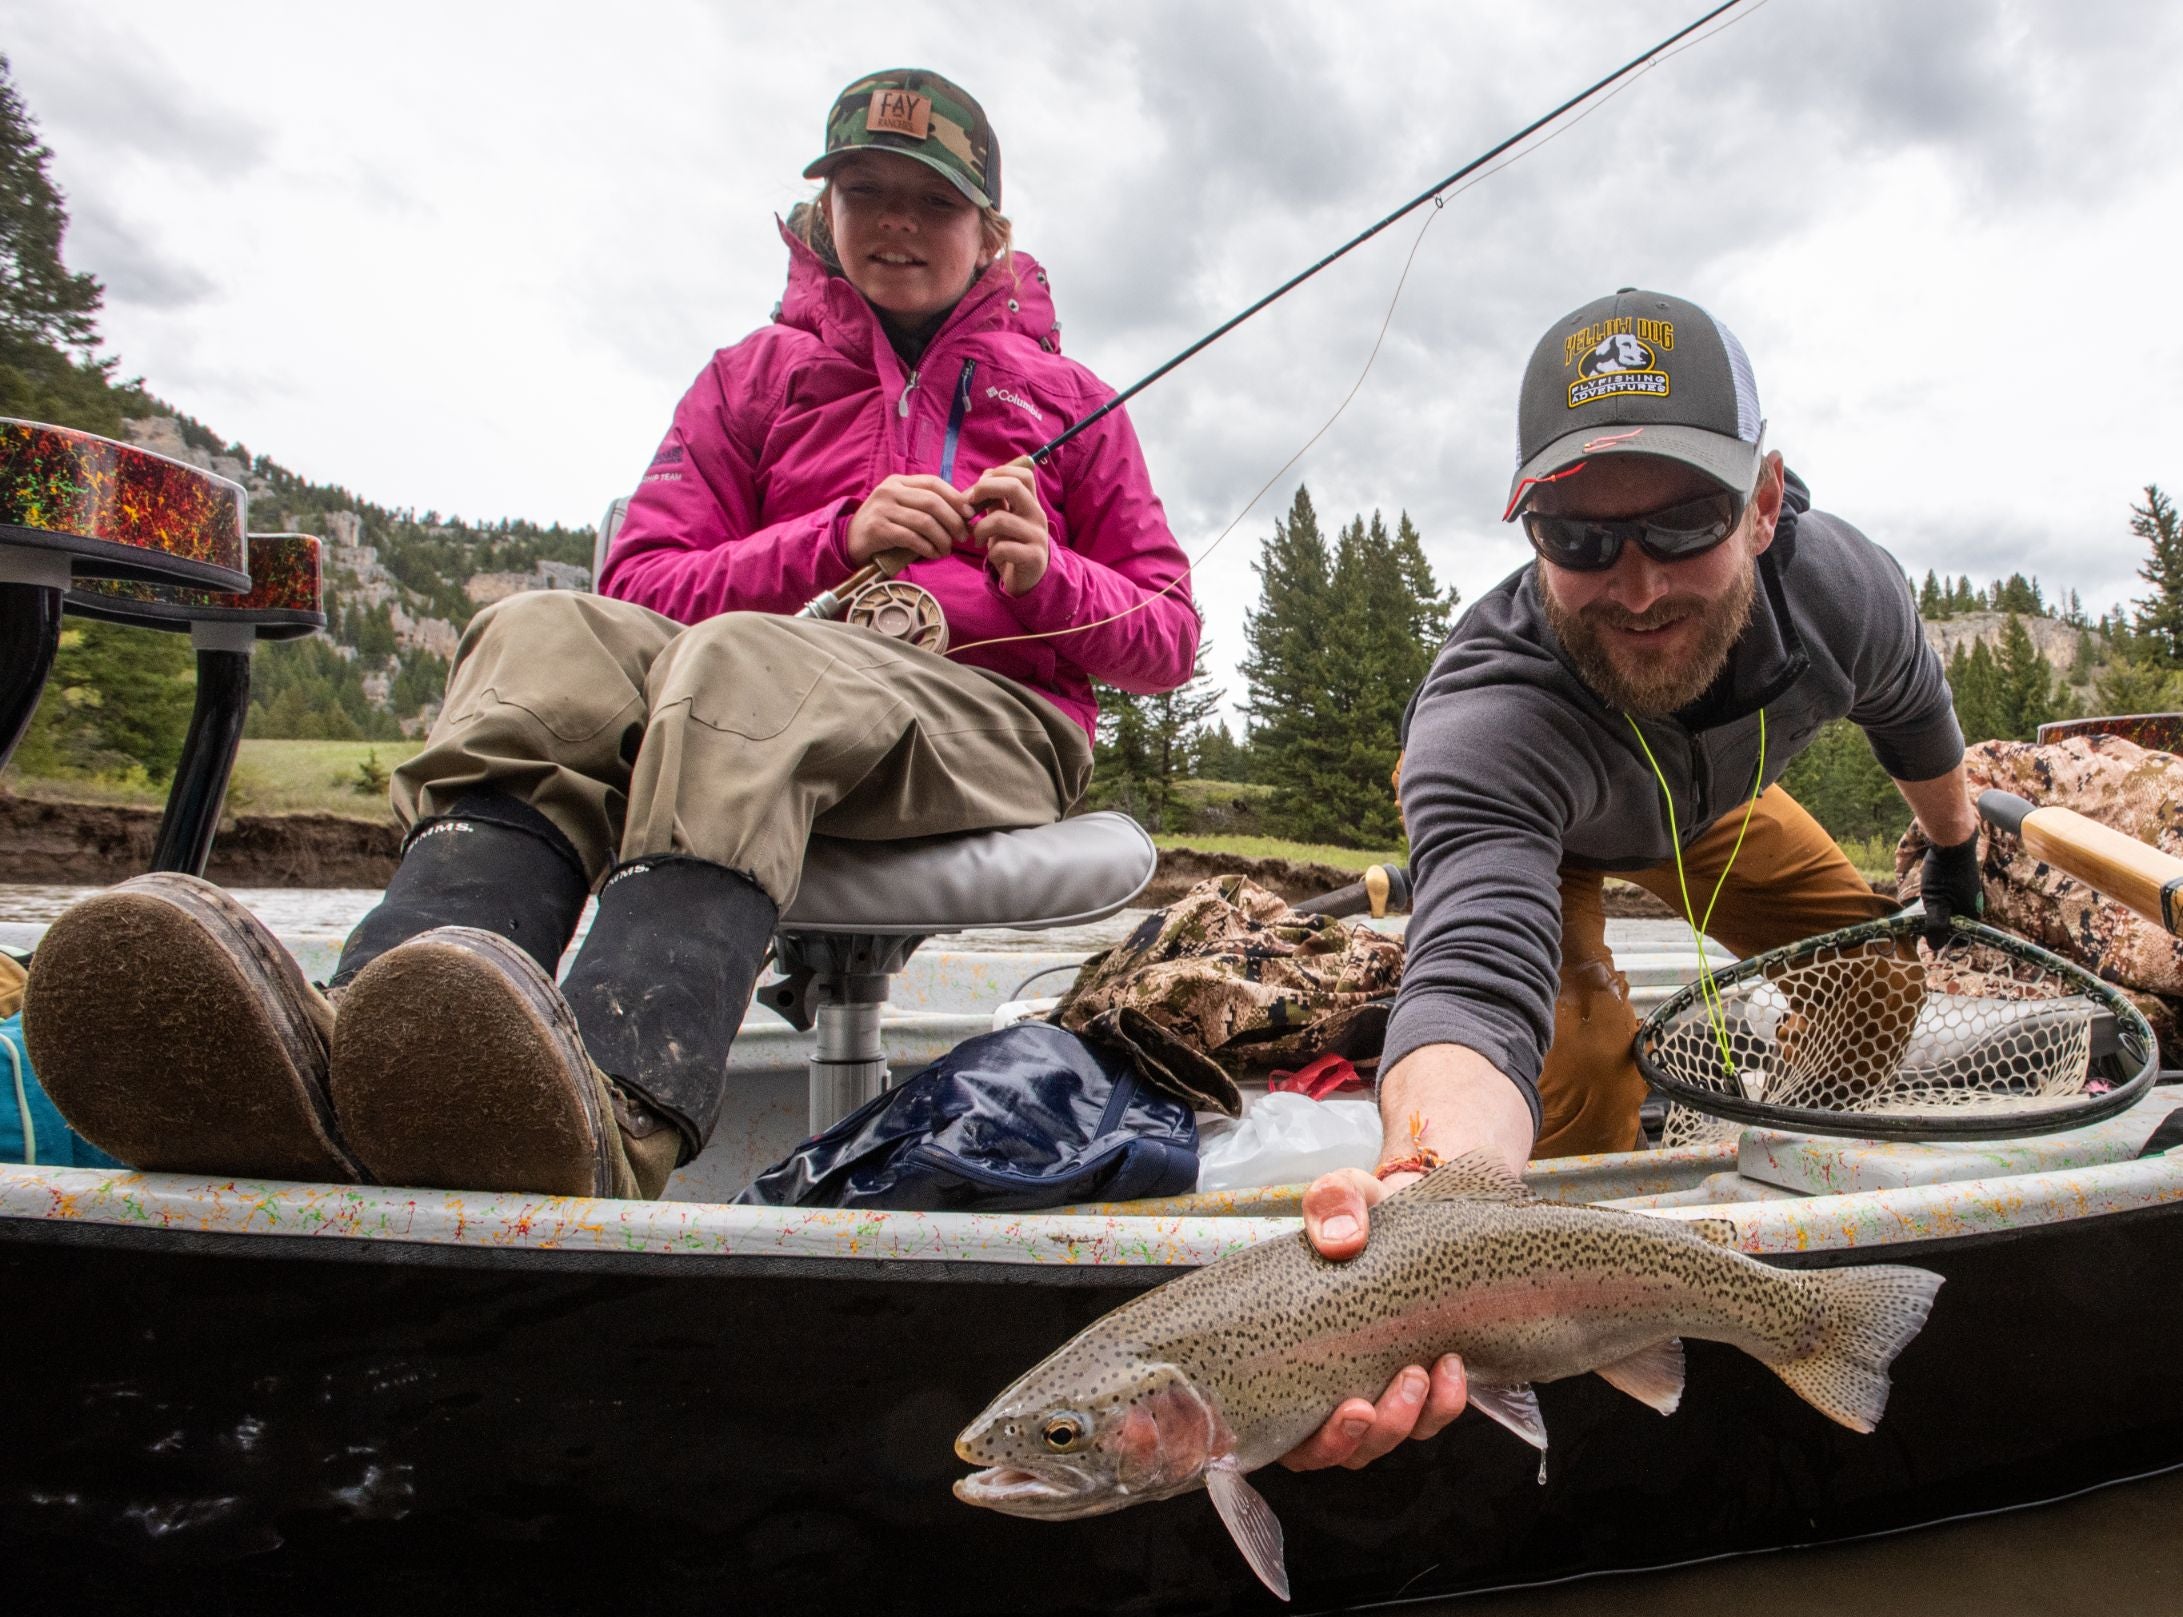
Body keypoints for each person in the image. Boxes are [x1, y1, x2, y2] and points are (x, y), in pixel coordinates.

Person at [25, 68, 1196, 1200]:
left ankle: (616, 1113)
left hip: (990, 725)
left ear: (989, 232)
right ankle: (371, 1051)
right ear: (822, 210)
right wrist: (831, 541)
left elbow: (1167, 638)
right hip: (747, 687)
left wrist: (1045, 577)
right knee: (544, 632)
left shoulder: (1069, 397)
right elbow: (641, 583)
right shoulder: (749, 380)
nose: (897, 223)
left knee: (747, 662)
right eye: (865, 193)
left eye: (933, 200)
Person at [1279, 287, 1983, 1473]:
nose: (1639, 585)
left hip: (1714, 806)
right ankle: (1591, 1353)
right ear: (1529, 535)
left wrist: (1953, 858)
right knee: (1576, 1091)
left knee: (1871, 964)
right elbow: (1468, 978)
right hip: (1548, 833)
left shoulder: (1842, 595)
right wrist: (1431, 1191)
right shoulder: (1483, 721)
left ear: (1762, 505)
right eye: (1581, 541)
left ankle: (1782, 1191)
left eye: (1683, 524)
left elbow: (1917, 724)